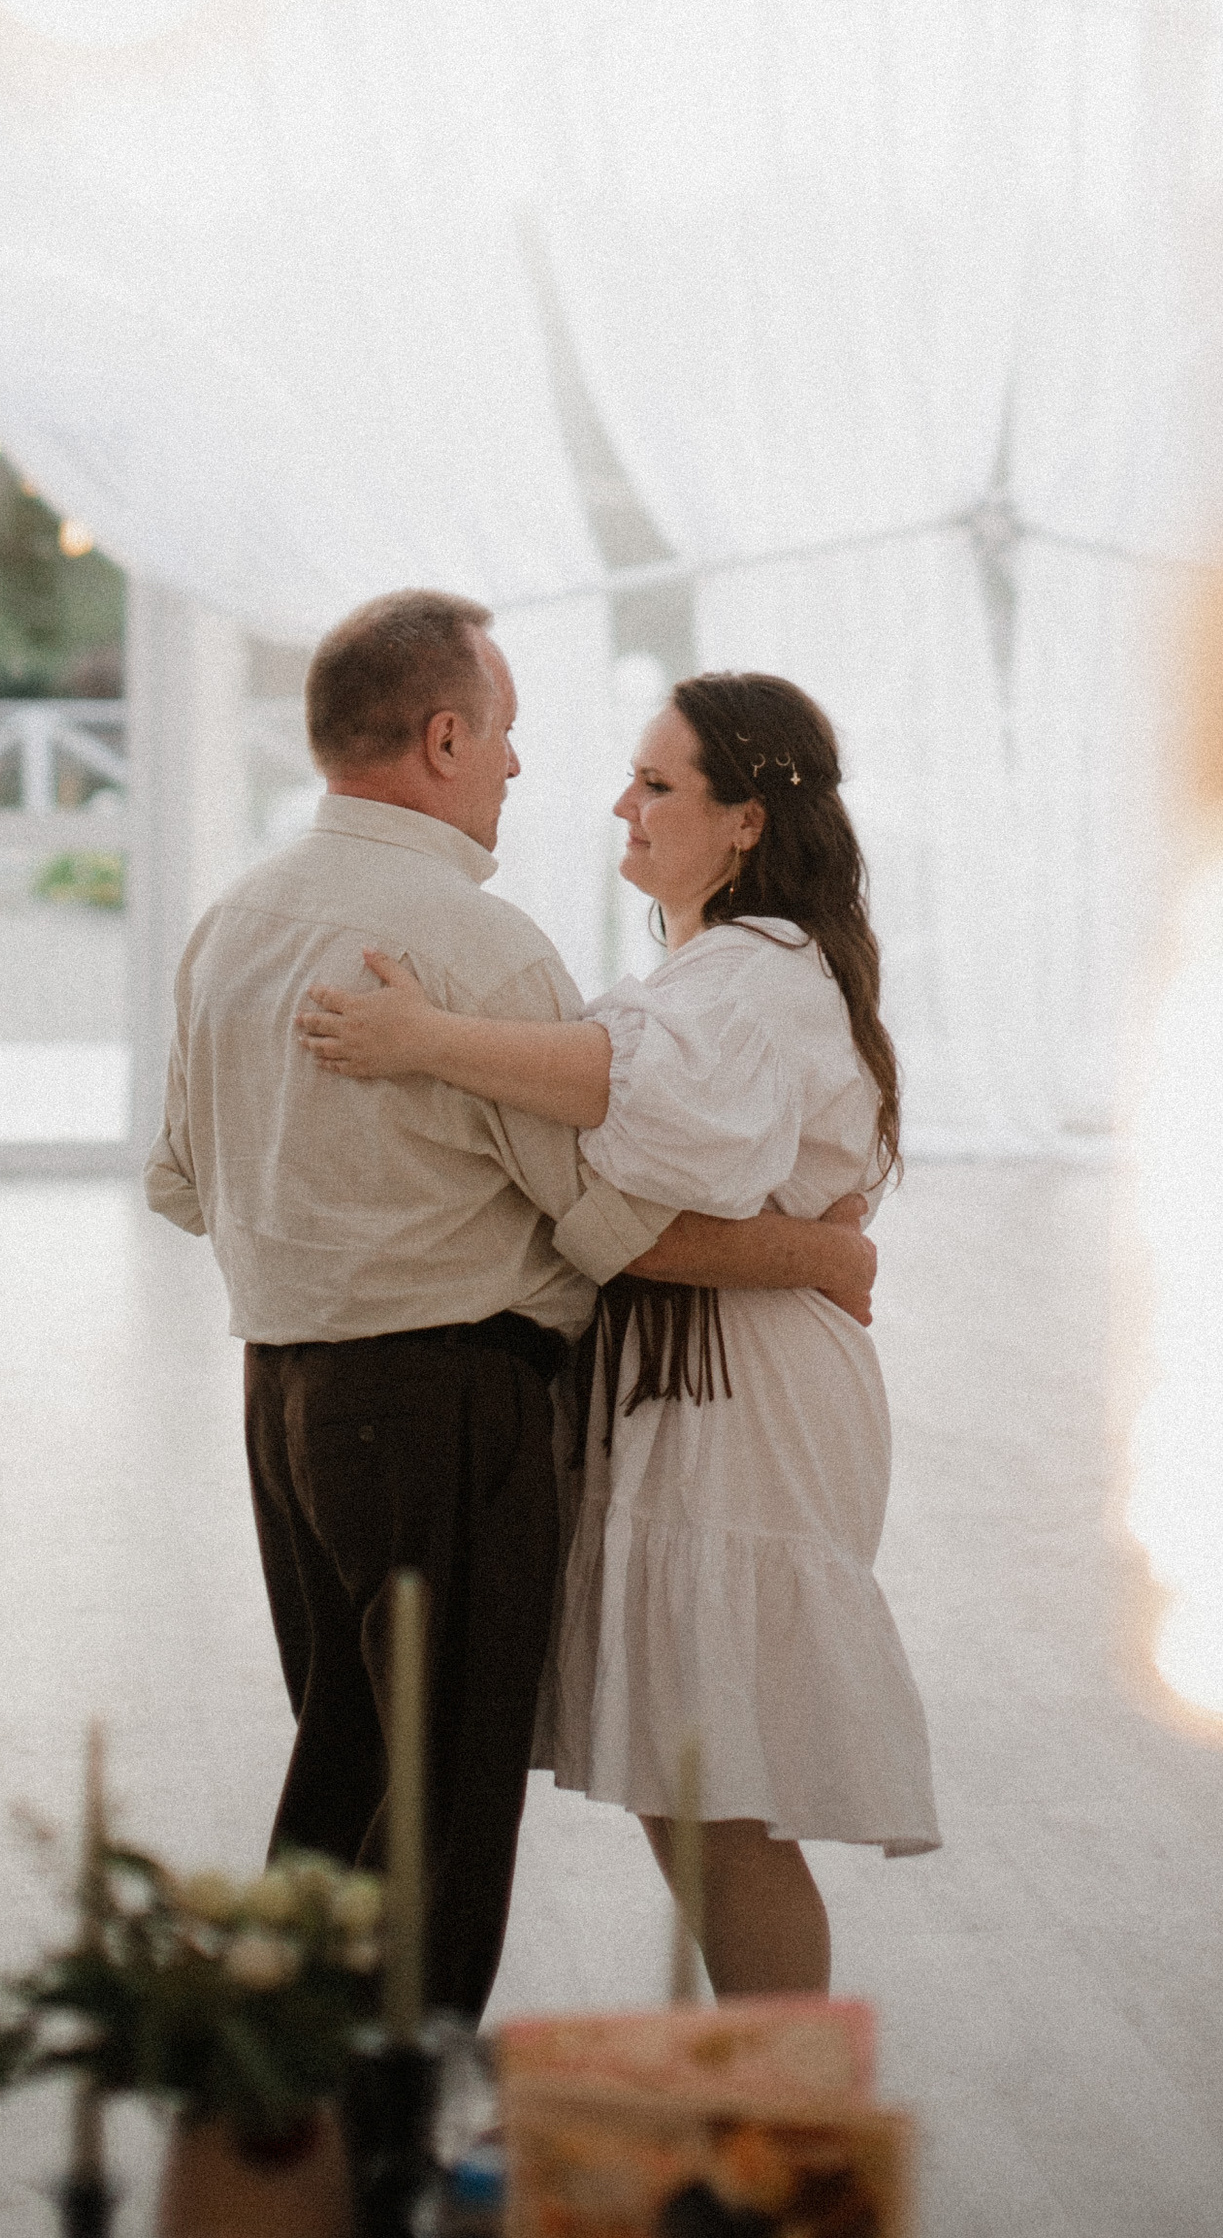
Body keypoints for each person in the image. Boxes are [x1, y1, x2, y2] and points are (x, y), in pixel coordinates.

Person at [144, 591, 881, 2020]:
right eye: (506, 736)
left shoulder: (232, 923)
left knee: (345, 1768)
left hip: (281, 1410)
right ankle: (384, 2137)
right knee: (439, 1819)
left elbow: (182, 1186)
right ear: (439, 738)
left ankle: (281, 2128)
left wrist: (314, 1216)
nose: (525, 772)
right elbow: (610, 1220)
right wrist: (823, 1259)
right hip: (440, 1411)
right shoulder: (484, 951)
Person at [299, 667, 939, 1998]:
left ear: (749, 819)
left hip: (745, 1405)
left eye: (657, 785)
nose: (620, 807)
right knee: (692, 1792)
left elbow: (624, 1144)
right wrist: (807, 1249)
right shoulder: (720, 971)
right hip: (707, 1387)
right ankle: (774, 2099)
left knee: (717, 1802)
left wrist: (425, 1038)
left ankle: (787, 2113)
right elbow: (619, 1178)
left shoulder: (753, 977)